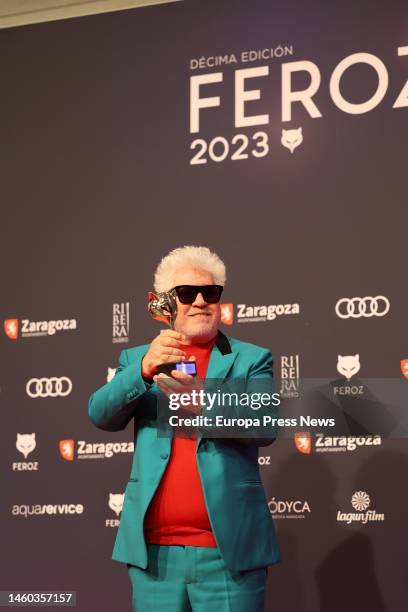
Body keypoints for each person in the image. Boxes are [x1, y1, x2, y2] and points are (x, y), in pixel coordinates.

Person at [88, 245, 280, 612]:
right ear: (162, 303)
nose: (200, 302)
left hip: (229, 556)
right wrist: (143, 369)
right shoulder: (136, 359)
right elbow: (100, 415)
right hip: (154, 559)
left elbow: (265, 424)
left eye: (210, 293)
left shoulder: (251, 358)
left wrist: (203, 402)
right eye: (186, 293)